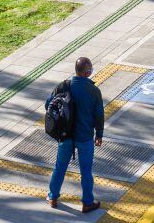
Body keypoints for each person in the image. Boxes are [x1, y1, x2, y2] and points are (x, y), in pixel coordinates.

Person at [46, 57, 104, 214]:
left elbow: (48, 105)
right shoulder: (93, 91)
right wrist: (99, 134)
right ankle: (87, 203)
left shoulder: (64, 85)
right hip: (85, 137)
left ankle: (53, 197)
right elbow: (99, 115)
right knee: (86, 171)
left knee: (60, 167)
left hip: (65, 136)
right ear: (87, 72)